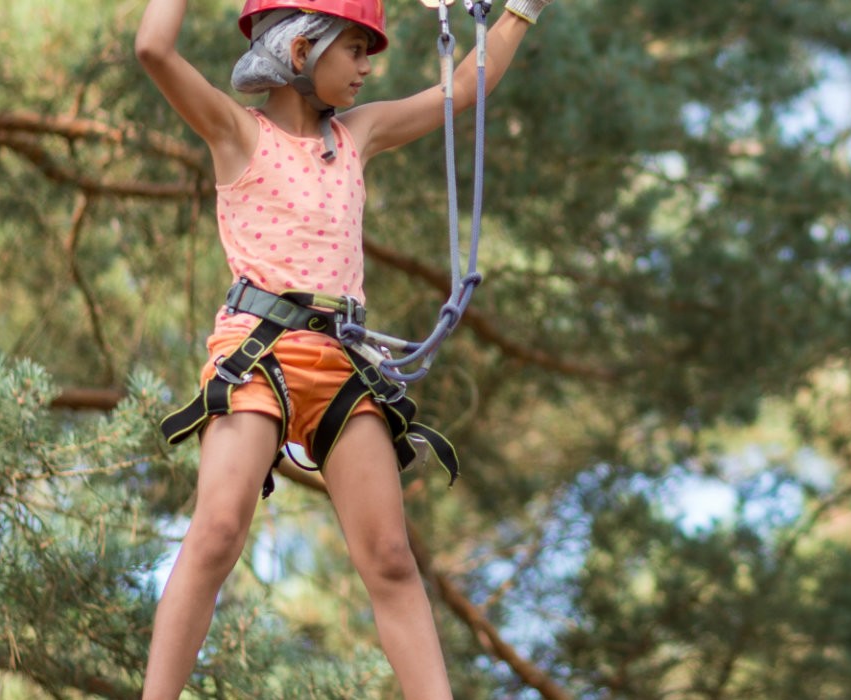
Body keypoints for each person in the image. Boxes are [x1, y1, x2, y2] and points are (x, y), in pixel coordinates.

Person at [133, 0, 549, 696]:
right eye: (354, 48)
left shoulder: (360, 134)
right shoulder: (237, 134)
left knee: (390, 555)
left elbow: (468, 86)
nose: (367, 66)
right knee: (218, 530)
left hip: (341, 364)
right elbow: (153, 50)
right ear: (300, 51)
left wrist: (520, 13)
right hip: (258, 353)